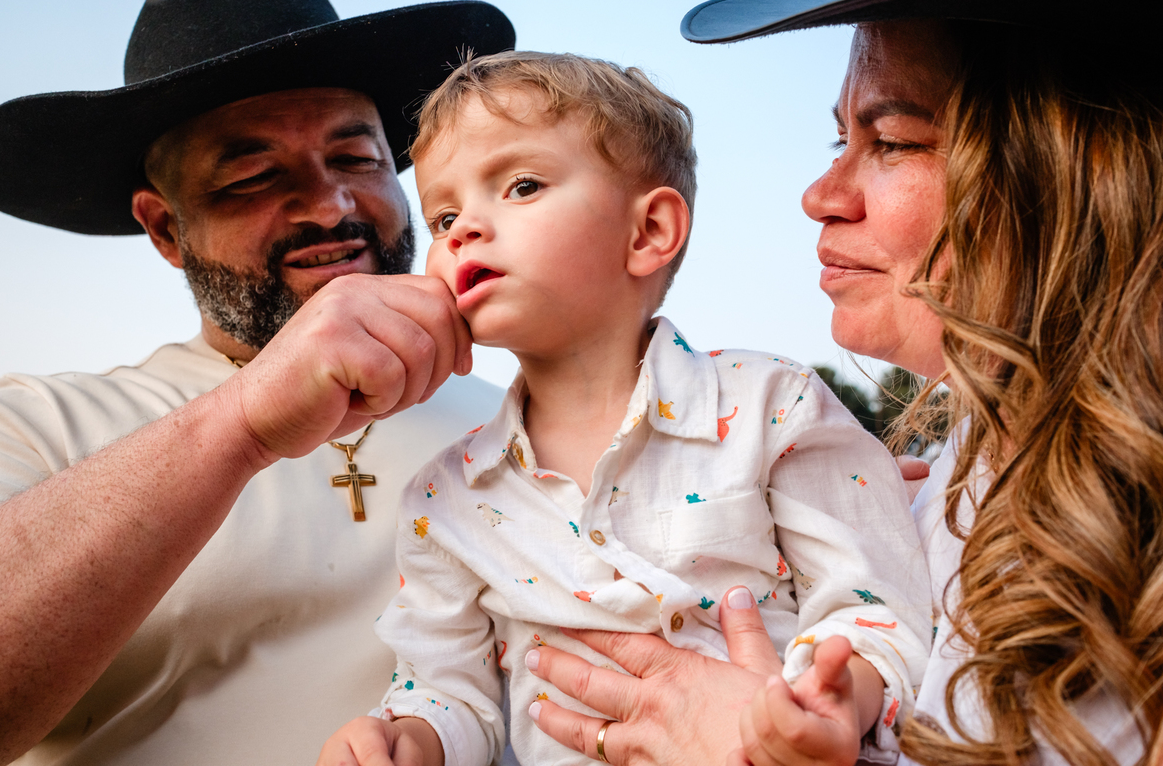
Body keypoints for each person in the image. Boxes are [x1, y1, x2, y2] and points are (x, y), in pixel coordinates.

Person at [514, 0, 1163, 765]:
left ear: (1069, 166)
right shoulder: (934, 488)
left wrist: (738, 743)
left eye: (890, 140)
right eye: (839, 140)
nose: (822, 194)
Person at [0, 0, 515, 763]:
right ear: (165, 230)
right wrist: (245, 420)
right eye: (255, 176)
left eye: (357, 159)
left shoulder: (523, 423)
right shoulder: (32, 428)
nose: (330, 206)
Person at [317, 50, 931, 766]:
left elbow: (874, 606)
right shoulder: (443, 499)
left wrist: (837, 700)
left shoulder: (773, 407)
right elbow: (450, 692)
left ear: (648, 233)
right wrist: (407, 740)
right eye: (444, 212)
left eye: (520, 185)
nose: (461, 231)